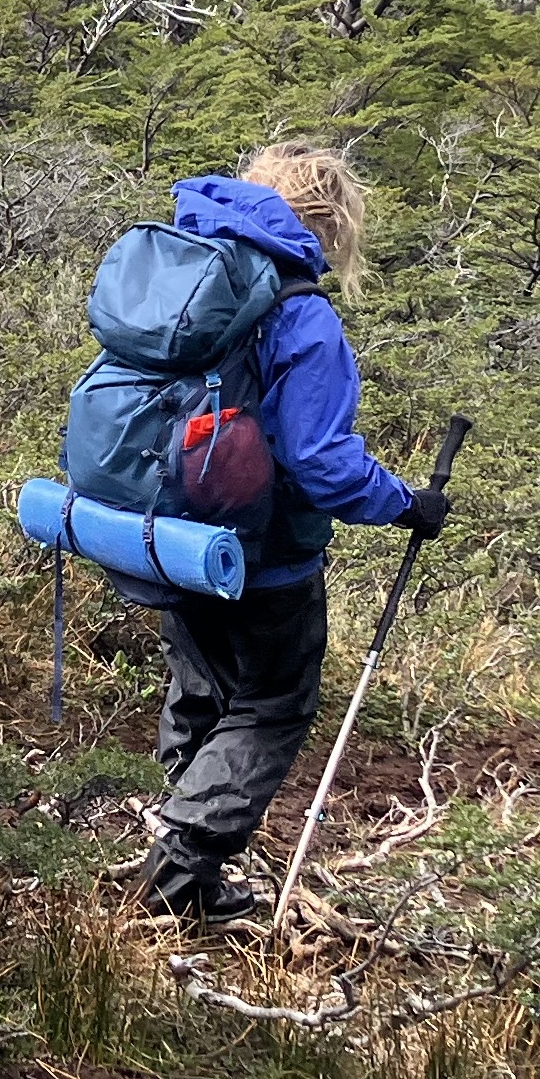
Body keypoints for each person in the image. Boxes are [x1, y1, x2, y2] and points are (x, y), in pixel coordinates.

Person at [129, 142, 446, 923]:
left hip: (170, 531)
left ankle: (180, 817)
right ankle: (179, 872)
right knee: (271, 703)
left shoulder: (184, 280)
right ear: (330, 223)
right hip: (262, 556)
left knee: (201, 683)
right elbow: (322, 464)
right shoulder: (300, 313)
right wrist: (405, 502)